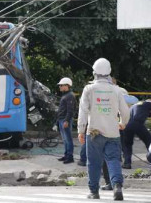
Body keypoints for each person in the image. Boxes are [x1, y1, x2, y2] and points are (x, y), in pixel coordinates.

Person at [78, 58, 130, 201]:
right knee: (113, 160)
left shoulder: (89, 89)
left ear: (94, 72)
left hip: (94, 133)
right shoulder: (116, 90)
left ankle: (94, 192)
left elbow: (82, 111)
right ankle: (117, 186)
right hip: (113, 133)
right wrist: (122, 123)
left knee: (94, 162)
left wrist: (81, 130)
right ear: (109, 72)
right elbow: (125, 111)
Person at [122, 99, 151, 169]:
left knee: (127, 145)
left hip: (127, 125)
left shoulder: (135, 105)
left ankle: (127, 163)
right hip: (138, 123)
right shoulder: (148, 103)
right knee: (149, 141)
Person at [56, 77, 76, 164]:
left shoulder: (70, 96)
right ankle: (66, 155)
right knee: (65, 139)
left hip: (65, 120)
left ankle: (70, 156)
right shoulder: (65, 95)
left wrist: (66, 121)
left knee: (68, 139)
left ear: (67, 86)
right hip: (62, 119)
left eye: (61, 85)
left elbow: (70, 110)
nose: (60, 87)